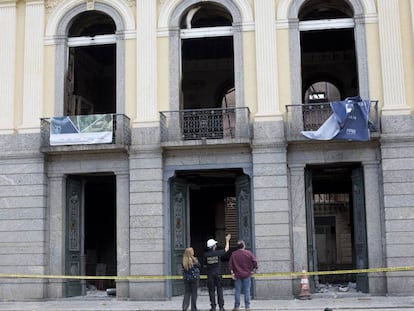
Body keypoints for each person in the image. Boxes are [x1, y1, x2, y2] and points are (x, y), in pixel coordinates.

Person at [228, 240, 258, 311]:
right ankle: (247, 307)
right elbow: (255, 261)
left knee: (237, 291)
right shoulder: (248, 253)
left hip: (237, 275)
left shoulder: (234, 254)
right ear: (244, 245)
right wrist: (254, 270)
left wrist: (232, 273)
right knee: (247, 291)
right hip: (247, 275)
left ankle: (237, 307)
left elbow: (230, 265)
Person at [205, 233, 231, 311]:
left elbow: (205, 265)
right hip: (218, 274)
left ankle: (213, 307)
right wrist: (227, 240)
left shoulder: (206, 255)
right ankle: (221, 307)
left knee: (211, 291)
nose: (216, 246)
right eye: (215, 245)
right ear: (213, 246)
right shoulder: (218, 253)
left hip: (210, 275)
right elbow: (226, 249)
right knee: (219, 290)